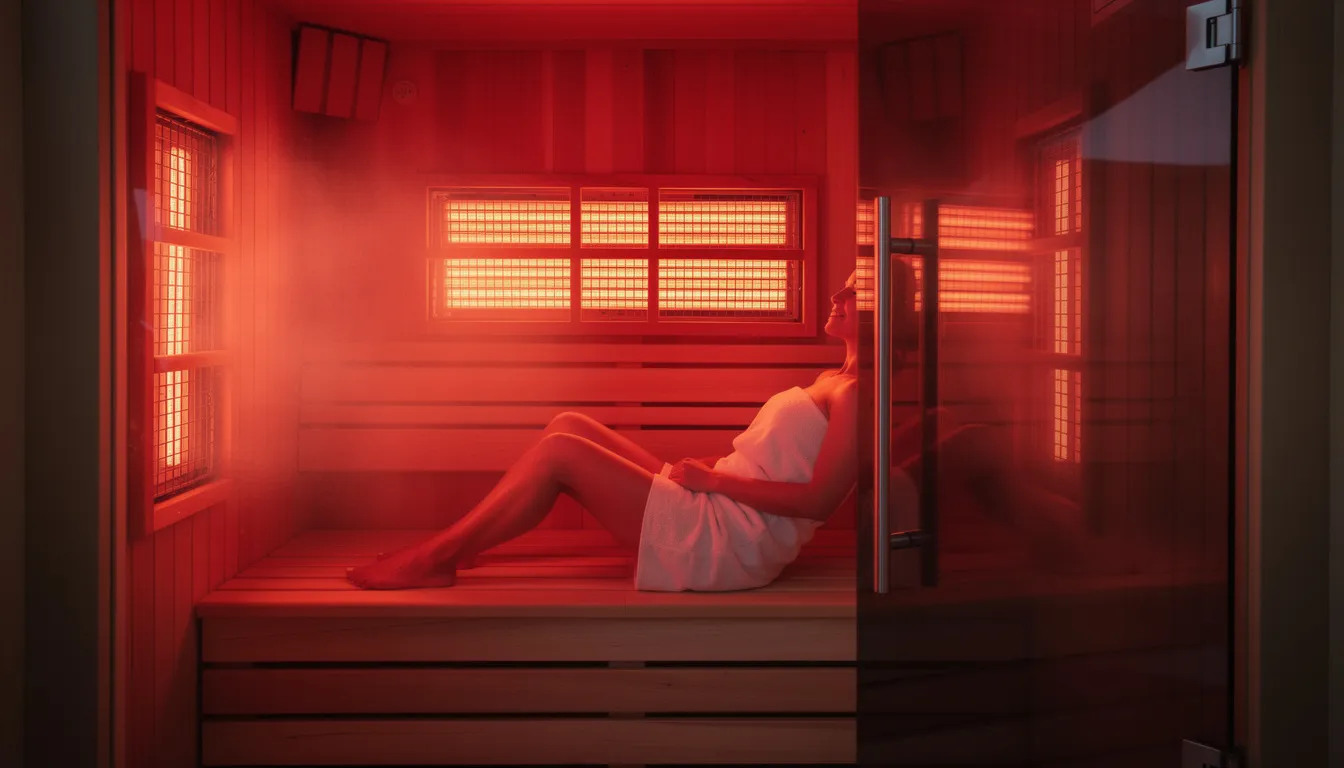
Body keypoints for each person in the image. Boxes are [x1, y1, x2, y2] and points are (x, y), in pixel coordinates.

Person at [347, 268, 902, 591]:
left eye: (854, 293)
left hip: (728, 543)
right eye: (845, 287)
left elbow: (820, 500)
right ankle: (463, 545)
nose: (838, 297)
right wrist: (710, 470)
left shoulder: (854, 394)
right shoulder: (833, 378)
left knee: (561, 452)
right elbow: (768, 457)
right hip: (721, 506)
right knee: (569, 423)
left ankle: (436, 558)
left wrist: (714, 486)